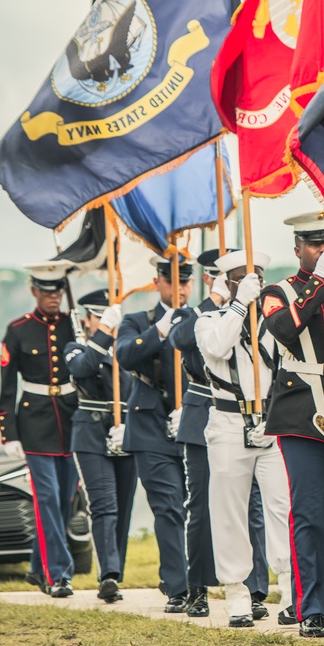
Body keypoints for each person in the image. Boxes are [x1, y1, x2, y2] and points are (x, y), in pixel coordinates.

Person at [261, 213, 324, 639]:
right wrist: (319, 282)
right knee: (307, 512)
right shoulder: (277, 292)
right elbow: (283, 330)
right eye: (313, 244)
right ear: (298, 247)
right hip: (299, 408)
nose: (320, 250)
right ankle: (312, 607)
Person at [167, 249, 270, 620]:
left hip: (258, 419)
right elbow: (183, 341)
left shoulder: (261, 313)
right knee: (205, 508)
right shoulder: (195, 314)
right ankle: (198, 587)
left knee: (256, 509)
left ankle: (257, 589)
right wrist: (220, 300)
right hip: (207, 416)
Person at [194, 248, 292, 628]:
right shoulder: (209, 320)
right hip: (229, 422)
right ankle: (236, 593)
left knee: (282, 508)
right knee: (230, 512)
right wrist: (237, 304)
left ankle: (289, 589)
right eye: (241, 278)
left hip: (271, 420)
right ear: (227, 281)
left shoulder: (272, 323)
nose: (252, 284)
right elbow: (218, 346)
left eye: (256, 278)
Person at [116, 255, 194, 612]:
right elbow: (126, 357)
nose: (179, 288)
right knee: (168, 507)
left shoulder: (202, 319)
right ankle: (179, 587)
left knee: (199, 508)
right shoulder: (137, 321)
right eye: (172, 281)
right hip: (150, 427)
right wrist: (161, 329)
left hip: (192, 423)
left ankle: (200, 581)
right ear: (158, 282)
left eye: (185, 282)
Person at [0, 261, 80, 596]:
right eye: (46, 291)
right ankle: (57, 575)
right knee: (46, 498)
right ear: (34, 290)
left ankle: (36, 567)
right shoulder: (18, 330)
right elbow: (7, 388)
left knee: (65, 500)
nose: (53, 297)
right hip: (33, 425)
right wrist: (9, 433)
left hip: (71, 422)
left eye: (58, 290)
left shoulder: (73, 326)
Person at [63, 289, 136, 602]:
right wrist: (104, 334)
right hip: (91, 433)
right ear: (87, 319)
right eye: (101, 317)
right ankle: (109, 575)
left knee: (124, 507)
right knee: (104, 505)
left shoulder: (126, 347)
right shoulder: (76, 347)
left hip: (126, 431)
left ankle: (116, 569)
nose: (108, 324)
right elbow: (83, 368)